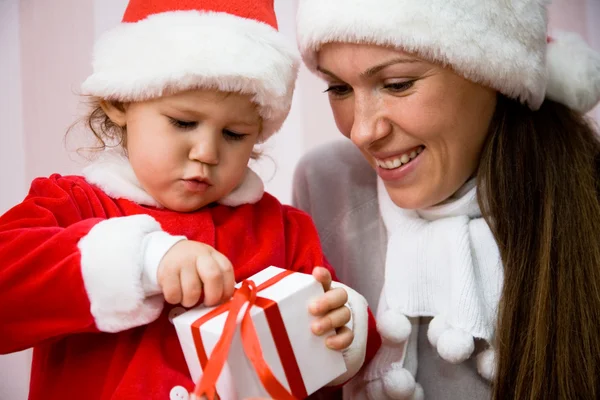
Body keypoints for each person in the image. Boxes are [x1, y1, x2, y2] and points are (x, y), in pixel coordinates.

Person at [0, 1, 381, 399]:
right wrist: (143, 259)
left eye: (234, 134)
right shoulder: (70, 205)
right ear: (120, 102)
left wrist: (343, 326)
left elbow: (336, 356)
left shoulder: (283, 231)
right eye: (183, 122)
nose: (207, 152)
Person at [292, 0, 600, 399]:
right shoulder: (325, 187)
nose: (363, 131)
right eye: (339, 88)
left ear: (495, 73)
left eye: (397, 84)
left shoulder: (582, 199)